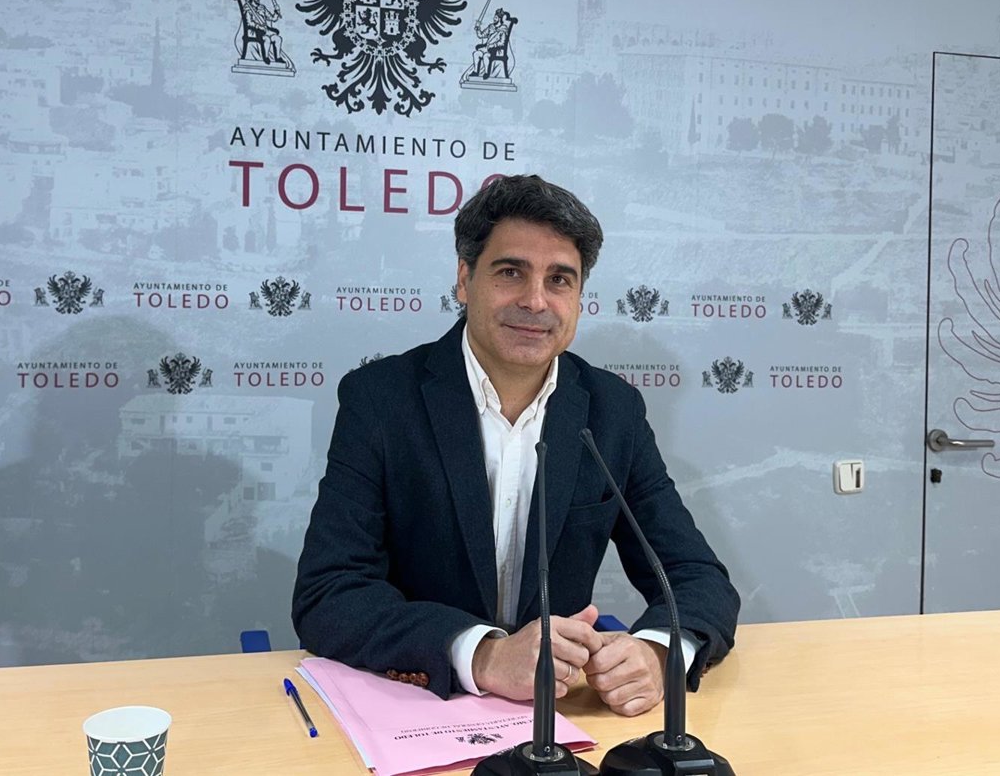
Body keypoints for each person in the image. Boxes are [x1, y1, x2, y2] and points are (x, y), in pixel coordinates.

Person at [292, 175, 739, 716]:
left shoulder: (612, 410)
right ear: (464, 279)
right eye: (511, 272)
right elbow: (330, 592)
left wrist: (658, 652)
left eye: (559, 280)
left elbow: (695, 578)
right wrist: (482, 655)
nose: (535, 300)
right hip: (413, 707)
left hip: (557, 721)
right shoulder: (380, 400)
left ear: (579, 298)